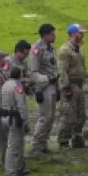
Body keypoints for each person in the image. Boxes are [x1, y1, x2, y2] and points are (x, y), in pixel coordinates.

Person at [25, 23, 59, 155]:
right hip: (43, 86)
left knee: (51, 117)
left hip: (52, 85)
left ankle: (43, 143)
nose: (54, 36)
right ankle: (36, 146)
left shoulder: (51, 49)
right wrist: (39, 87)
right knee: (44, 117)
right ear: (45, 35)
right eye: (52, 34)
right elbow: (33, 72)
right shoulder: (37, 49)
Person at [0, 62, 31, 176]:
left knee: (16, 144)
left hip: (5, 116)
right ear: (19, 75)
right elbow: (21, 105)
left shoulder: (5, 84)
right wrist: (25, 121)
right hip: (14, 118)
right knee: (13, 146)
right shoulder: (18, 86)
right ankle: (11, 172)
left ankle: (18, 168)